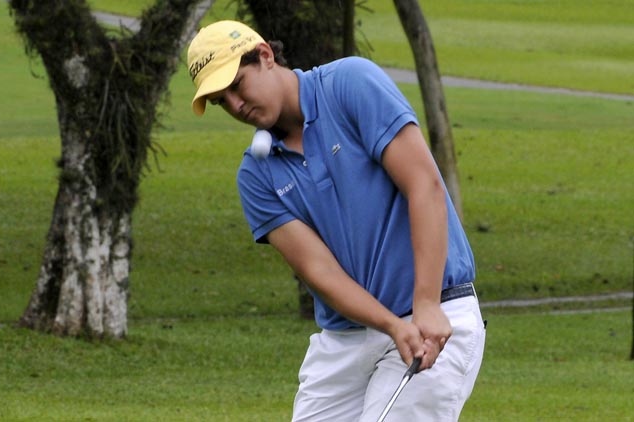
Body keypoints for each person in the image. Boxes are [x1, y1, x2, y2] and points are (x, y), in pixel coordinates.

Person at [187, 20, 486, 422]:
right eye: (223, 101)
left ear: (265, 56)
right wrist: (390, 326)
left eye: (238, 85)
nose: (237, 106)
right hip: (345, 341)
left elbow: (424, 185)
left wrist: (426, 305)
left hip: (434, 311)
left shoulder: (349, 84)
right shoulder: (255, 176)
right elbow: (319, 270)